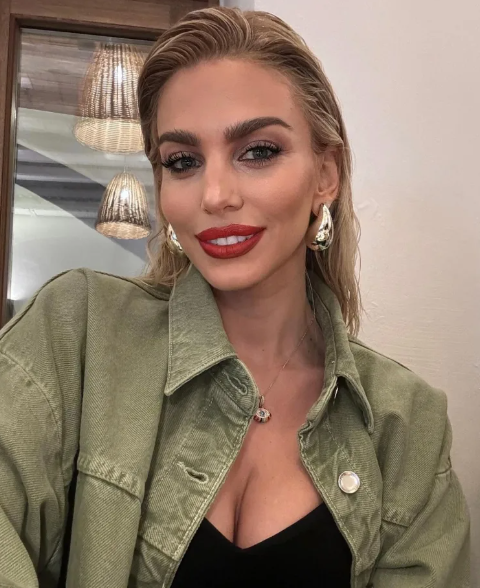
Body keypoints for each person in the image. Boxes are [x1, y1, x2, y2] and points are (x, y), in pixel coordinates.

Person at [0, 6, 470, 588]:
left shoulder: (407, 424)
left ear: (326, 174)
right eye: (183, 162)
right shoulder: (80, 332)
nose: (215, 194)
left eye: (258, 151)